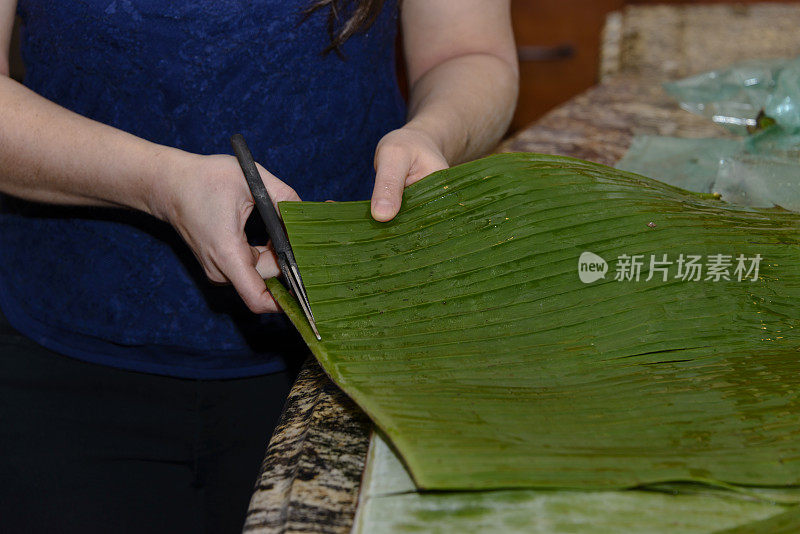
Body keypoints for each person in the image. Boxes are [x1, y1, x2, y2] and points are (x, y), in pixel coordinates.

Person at [0, 0, 517, 532]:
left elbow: (470, 53)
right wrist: (157, 183)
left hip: (348, 364)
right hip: (64, 368)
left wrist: (435, 133)